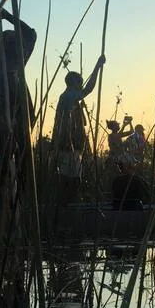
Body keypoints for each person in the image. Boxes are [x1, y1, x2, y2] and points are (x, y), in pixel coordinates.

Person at [0, 8, 37, 181]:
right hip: (5, 123)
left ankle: (18, 193)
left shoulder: (15, 67)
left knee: (21, 160)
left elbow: (30, 34)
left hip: (19, 121)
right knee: (4, 161)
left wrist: (7, 16)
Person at [52, 55, 106, 204]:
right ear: (74, 83)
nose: (81, 86)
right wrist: (97, 67)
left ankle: (66, 205)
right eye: (80, 83)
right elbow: (89, 88)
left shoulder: (67, 97)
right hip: (69, 145)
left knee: (69, 176)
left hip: (67, 144)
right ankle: (70, 206)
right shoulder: (69, 96)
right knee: (72, 178)